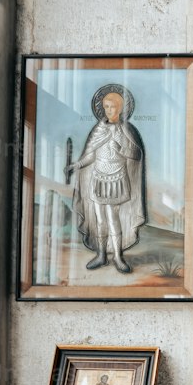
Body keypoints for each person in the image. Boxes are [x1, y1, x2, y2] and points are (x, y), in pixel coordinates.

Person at [70, 86, 147, 273]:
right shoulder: (99, 129)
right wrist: (78, 164)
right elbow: (91, 155)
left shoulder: (126, 129)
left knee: (113, 219)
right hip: (98, 179)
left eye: (112, 106)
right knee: (99, 221)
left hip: (117, 180)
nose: (108, 110)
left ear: (120, 108)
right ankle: (102, 255)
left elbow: (137, 154)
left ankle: (118, 257)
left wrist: (121, 148)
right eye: (106, 106)